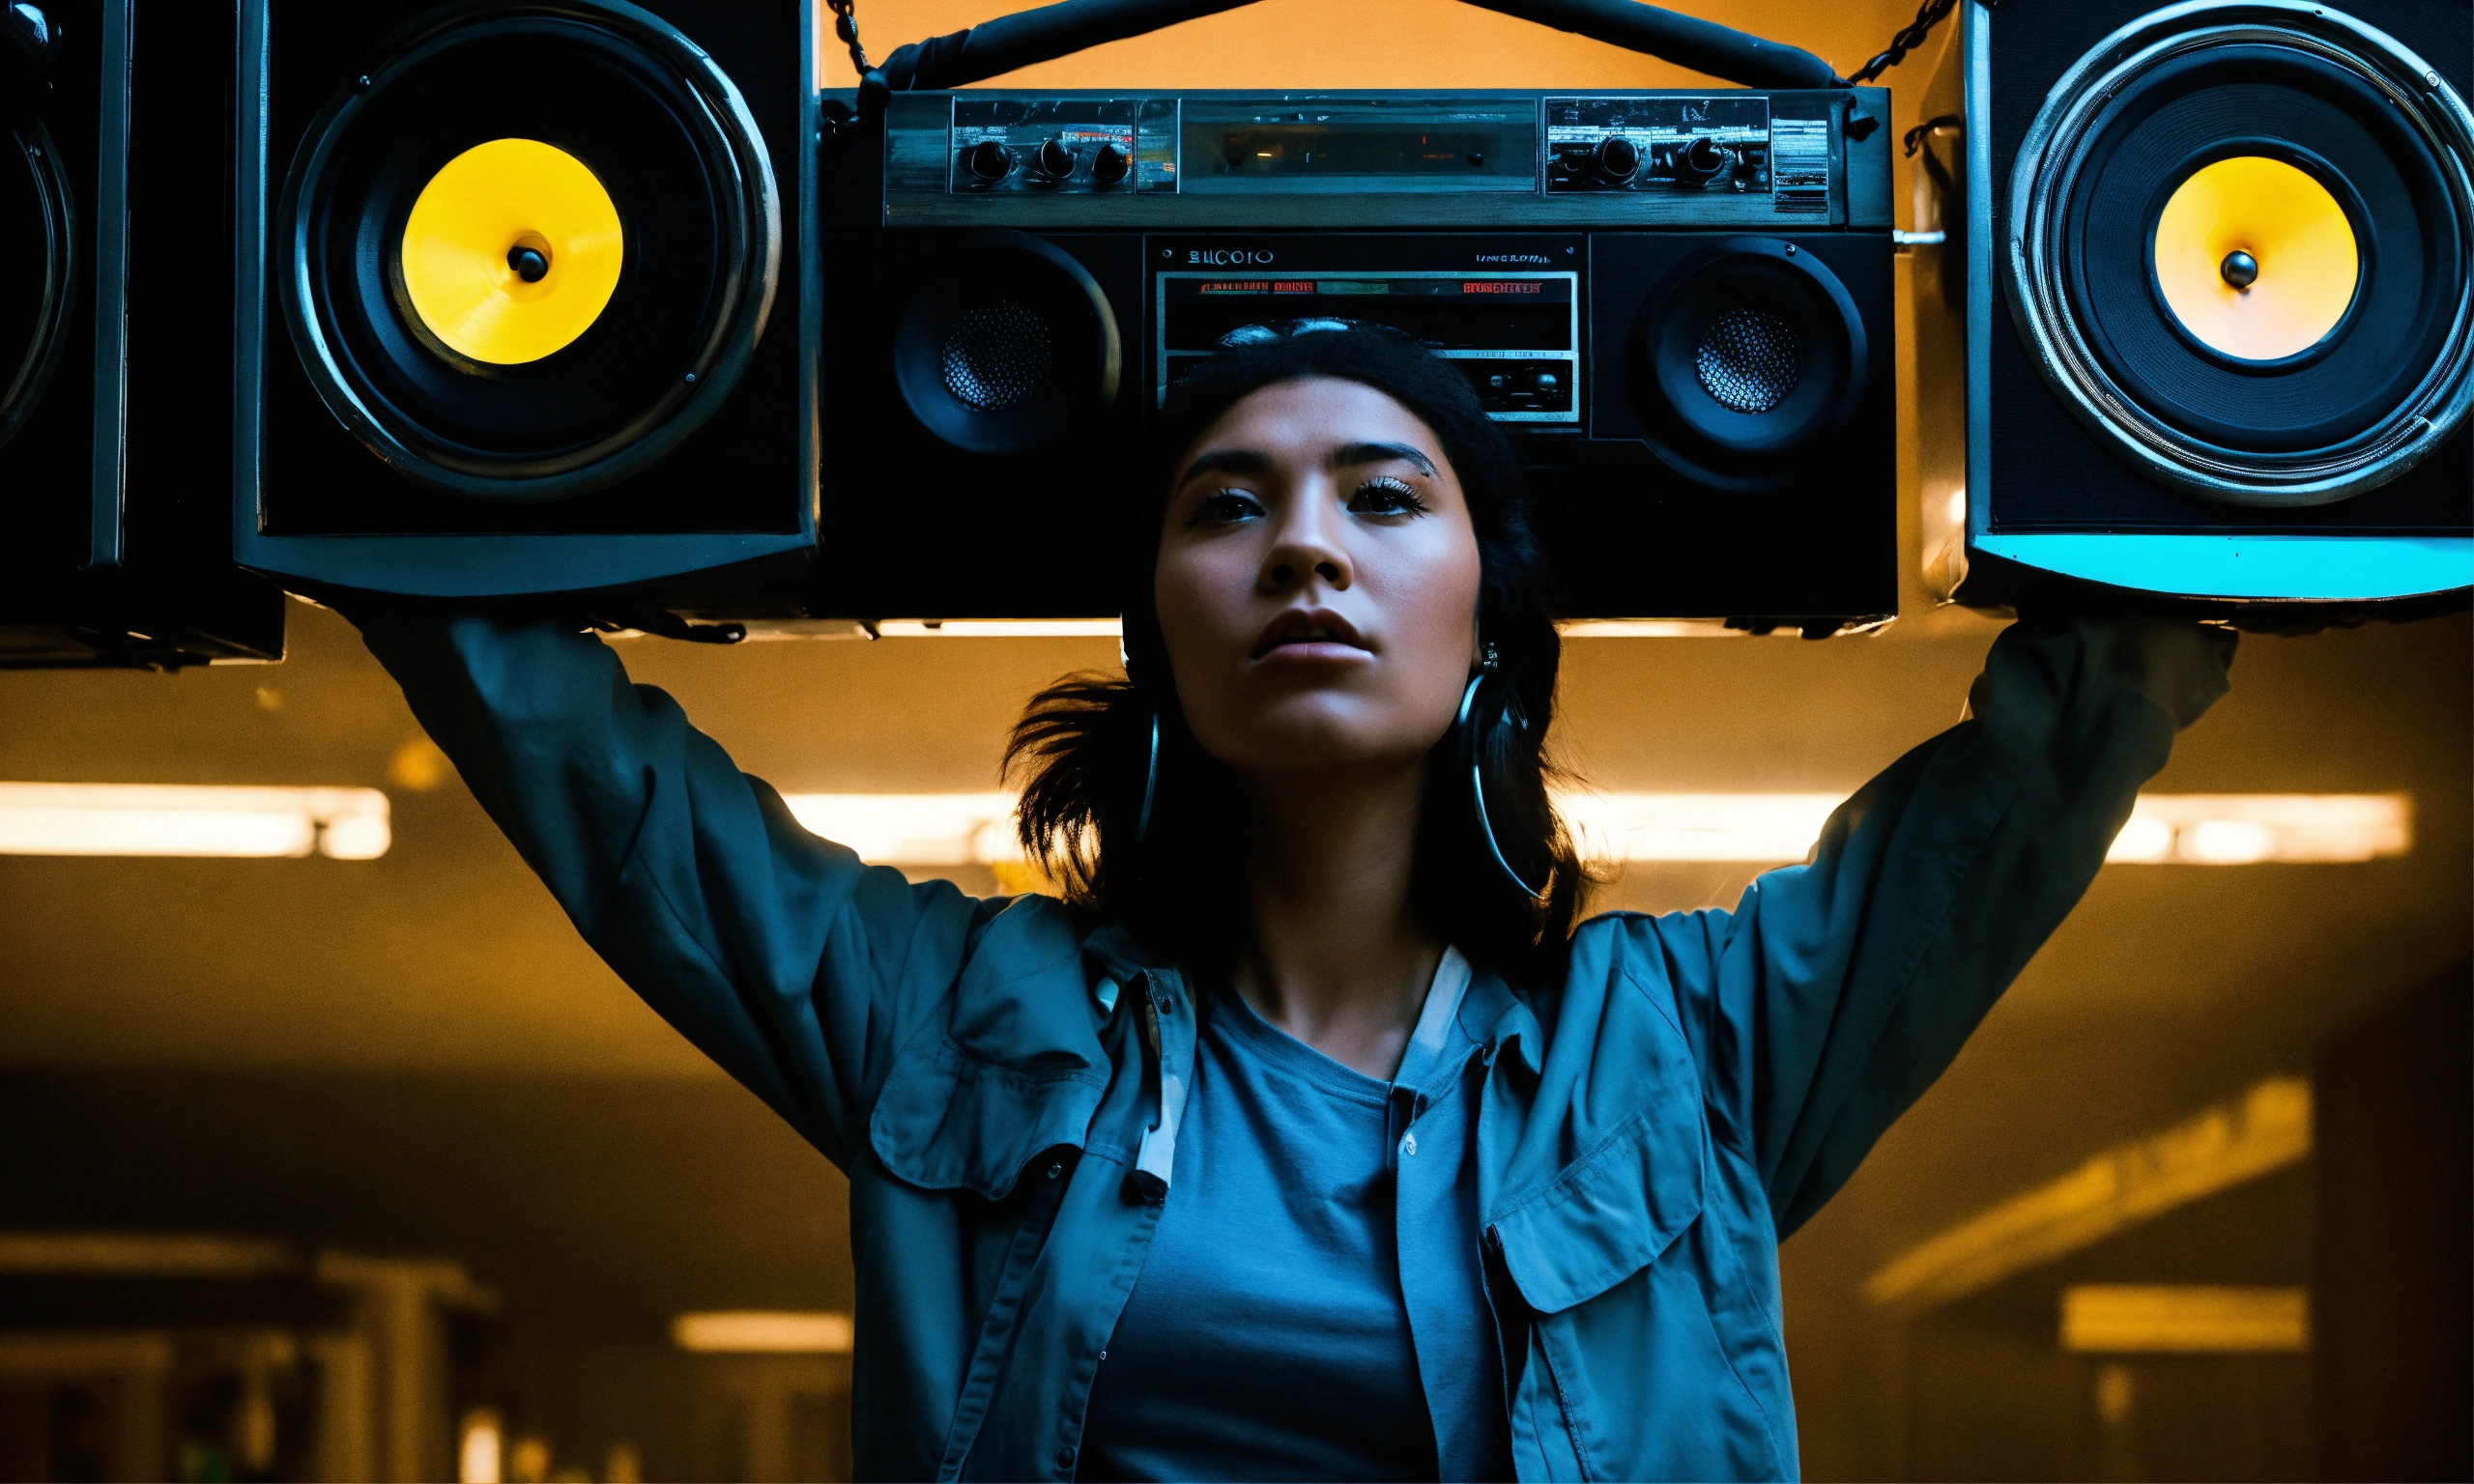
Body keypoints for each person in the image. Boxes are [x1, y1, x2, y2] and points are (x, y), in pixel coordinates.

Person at [349, 326, 2235, 1482]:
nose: (1305, 549)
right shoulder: (957, 1024)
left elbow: (2053, 752)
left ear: (1488, 620)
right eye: (1227, 506)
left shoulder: (1683, 1060)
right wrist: (370, 389)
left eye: (1382, 498)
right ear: (1154, 628)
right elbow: (592, 784)